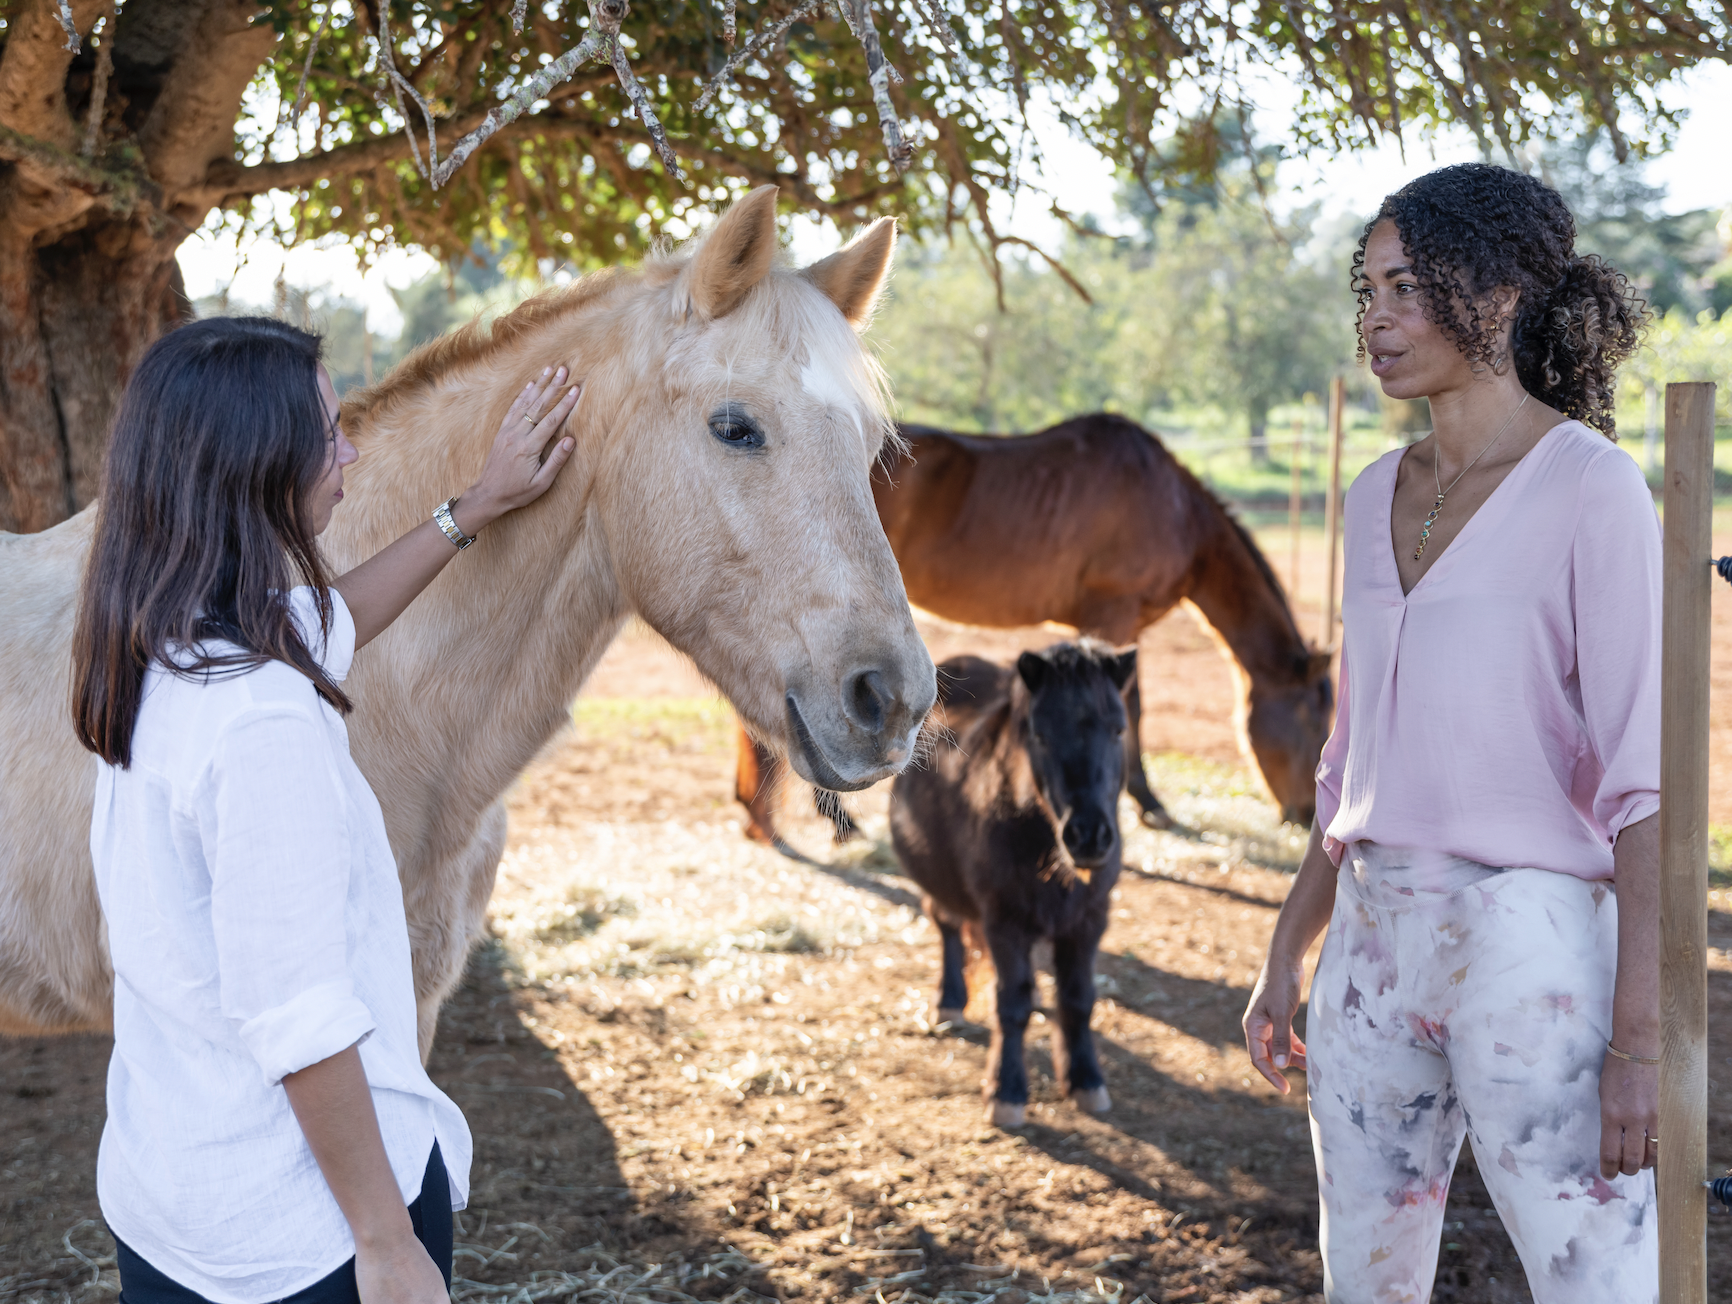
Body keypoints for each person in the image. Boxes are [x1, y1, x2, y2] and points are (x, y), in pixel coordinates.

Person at [71, 316, 582, 1303]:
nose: (348, 448)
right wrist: (385, 1240)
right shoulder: (262, 719)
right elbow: (299, 1019)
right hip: (303, 1235)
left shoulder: (163, 643)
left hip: (175, 1195)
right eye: (328, 425)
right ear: (257, 463)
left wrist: (473, 505)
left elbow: (333, 619)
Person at [1241, 163, 1658, 1303]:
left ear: (1506, 292)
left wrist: (1641, 1042)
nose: (1375, 317)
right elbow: (1348, 762)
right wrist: (1289, 950)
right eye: (1366, 289)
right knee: (1362, 1285)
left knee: (1601, 1283)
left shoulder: (1594, 487)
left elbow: (1642, 784)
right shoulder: (1374, 487)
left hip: (1529, 946)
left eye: (1408, 287)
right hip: (1369, 944)